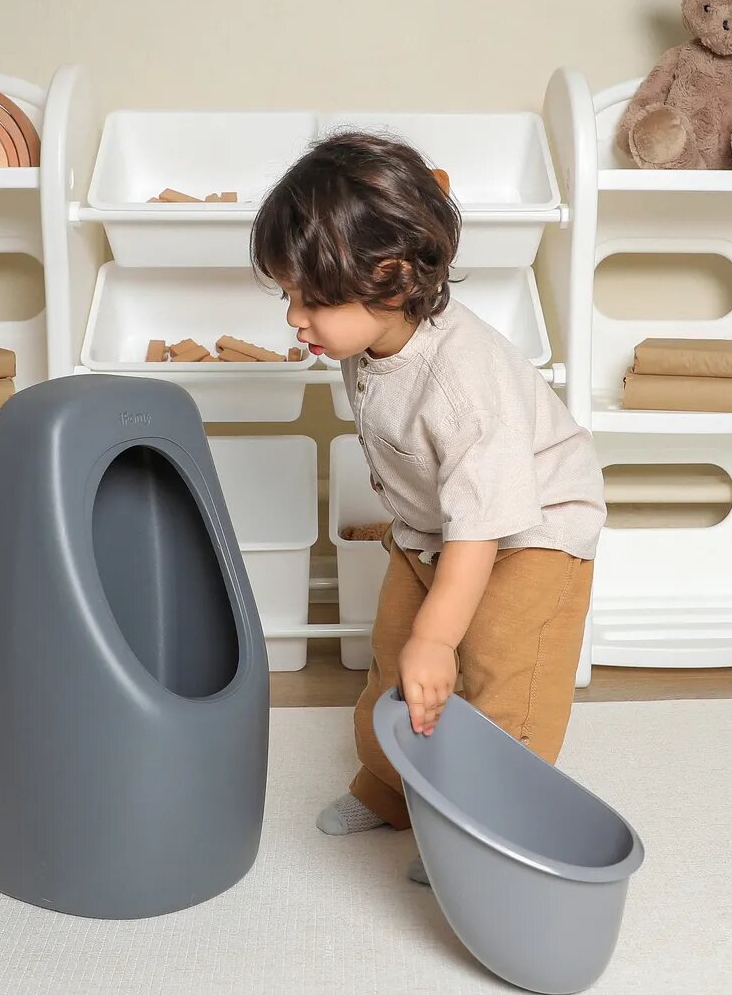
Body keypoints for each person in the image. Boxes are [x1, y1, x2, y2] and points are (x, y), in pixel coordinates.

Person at [250, 131, 606, 883]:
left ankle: (492, 826)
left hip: (533, 526)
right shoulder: (364, 340)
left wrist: (440, 639)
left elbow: (484, 527)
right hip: (436, 525)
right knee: (392, 658)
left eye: (313, 300)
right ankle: (390, 791)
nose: (294, 319)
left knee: (503, 674)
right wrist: (420, 639)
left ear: (389, 279)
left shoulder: (463, 386)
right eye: (288, 296)